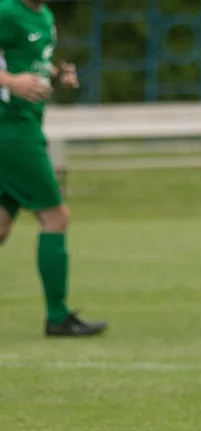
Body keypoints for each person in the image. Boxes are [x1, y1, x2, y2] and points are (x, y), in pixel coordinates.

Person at [0, 0, 107, 337]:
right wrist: (10, 81)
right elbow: (15, 74)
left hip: (26, 125)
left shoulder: (44, 16)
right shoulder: (6, 11)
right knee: (56, 216)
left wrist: (59, 74)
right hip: (12, 132)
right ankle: (57, 317)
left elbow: (35, 63)